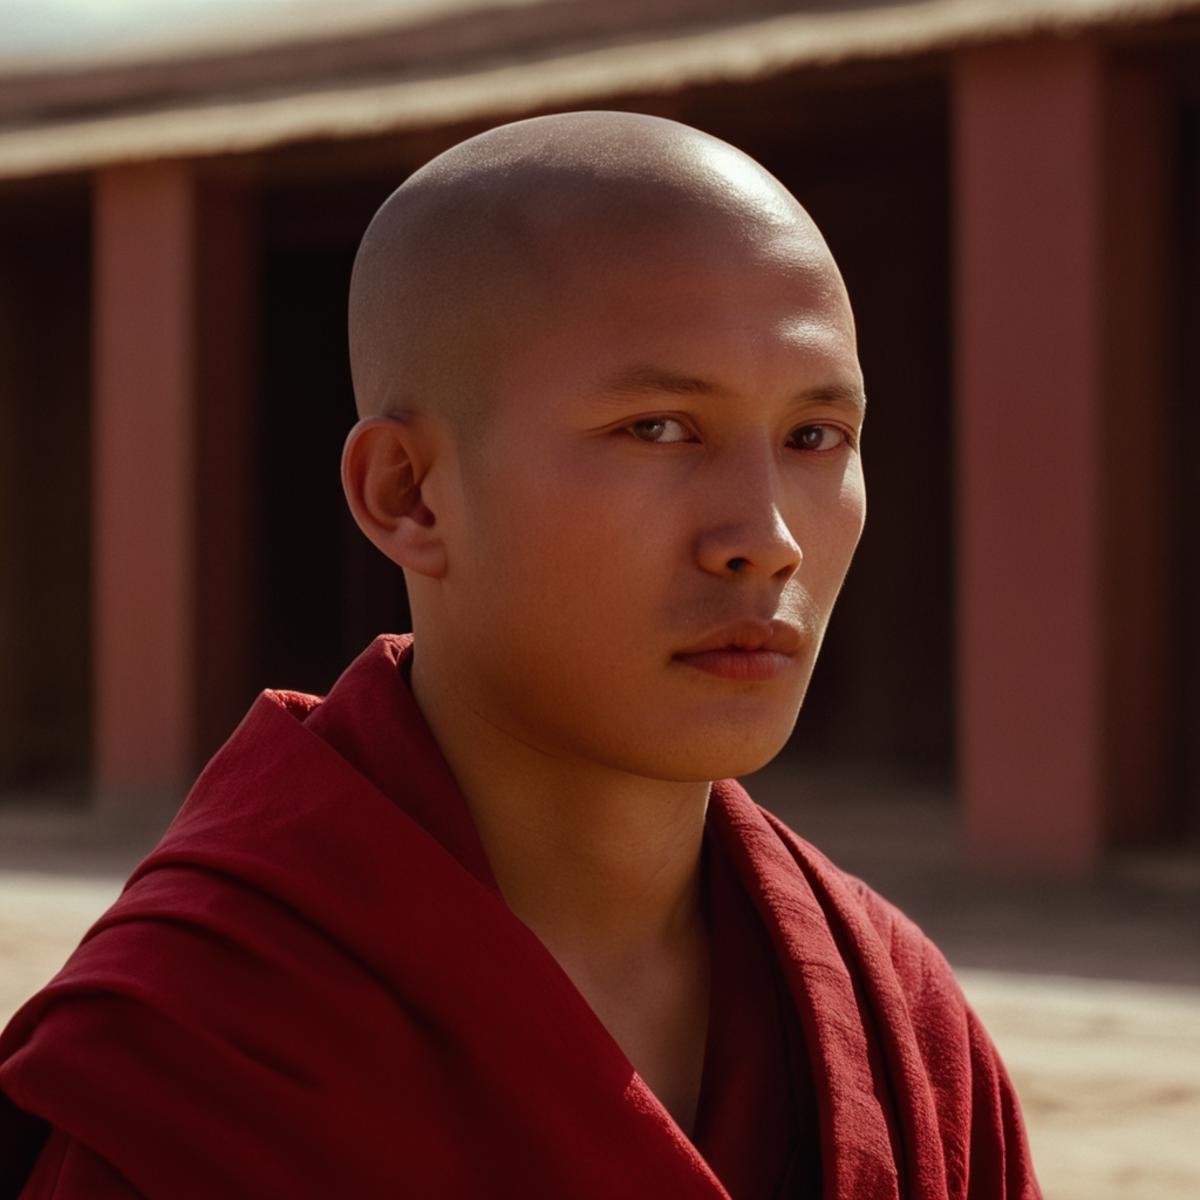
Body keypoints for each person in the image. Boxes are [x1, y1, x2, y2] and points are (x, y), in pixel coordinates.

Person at [0, 111, 1041, 1199]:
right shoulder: (210, 1048)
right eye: (658, 429)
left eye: (814, 438)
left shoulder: (901, 1028)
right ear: (408, 494)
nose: (766, 537)